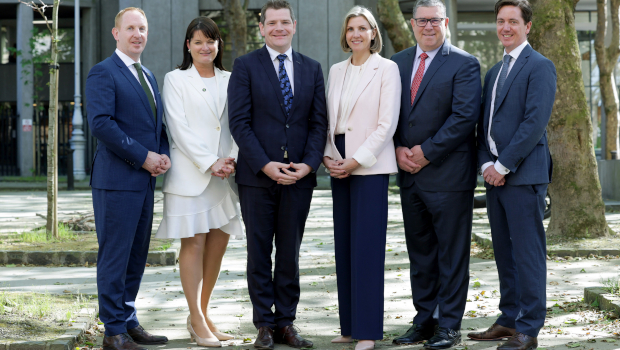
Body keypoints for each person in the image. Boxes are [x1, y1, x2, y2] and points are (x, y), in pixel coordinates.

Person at [227, 0, 327, 349]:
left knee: (289, 253)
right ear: (262, 27)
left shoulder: (312, 68)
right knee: (258, 252)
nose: (279, 28)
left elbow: (318, 123)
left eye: (285, 22)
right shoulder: (245, 66)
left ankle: (286, 322)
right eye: (272, 23)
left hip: (299, 176)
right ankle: (264, 325)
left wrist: (310, 164)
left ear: (294, 26)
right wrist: (265, 164)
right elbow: (239, 123)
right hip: (257, 177)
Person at [390, 0, 481, 348]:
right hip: (410, 176)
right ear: (412, 24)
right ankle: (424, 322)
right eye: (422, 20)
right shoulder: (396, 63)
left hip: (449, 176)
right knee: (421, 255)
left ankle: (449, 326)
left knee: (451, 255)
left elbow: (464, 117)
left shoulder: (464, 63)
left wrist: (425, 152)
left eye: (435, 20)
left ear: (445, 22)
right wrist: (397, 148)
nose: (429, 26)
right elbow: (390, 114)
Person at [467, 1, 556, 349]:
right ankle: (509, 319)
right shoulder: (493, 71)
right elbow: (483, 126)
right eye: (501, 21)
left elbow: (534, 123)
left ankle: (529, 328)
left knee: (527, 253)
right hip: (494, 176)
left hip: (522, 175)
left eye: (513, 22)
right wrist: (486, 165)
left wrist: (503, 165)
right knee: (504, 251)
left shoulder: (540, 66)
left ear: (527, 26)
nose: (506, 27)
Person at [155, 17, 243, 348]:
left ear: (218, 45)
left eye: (211, 40)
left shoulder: (231, 79)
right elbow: (178, 128)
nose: (205, 46)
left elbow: (237, 122)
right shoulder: (175, 79)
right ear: (188, 46)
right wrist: (210, 162)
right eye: (198, 41)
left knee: (218, 244)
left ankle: (204, 315)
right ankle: (194, 316)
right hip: (191, 175)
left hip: (225, 175)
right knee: (193, 244)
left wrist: (230, 158)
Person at [85, 7, 170, 350]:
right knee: (115, 256)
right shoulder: (103, 72)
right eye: (130, 28)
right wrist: (144, 156)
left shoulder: (147, 74)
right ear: (115, 33)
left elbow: (155, 126)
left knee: (136, 256)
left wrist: (162, 154)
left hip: (144, 180)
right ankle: (113, 332)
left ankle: (128, 319)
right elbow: (102, 124)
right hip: (117, 181)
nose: (138, 34)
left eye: (143, 28)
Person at [322, 6, 400, 350]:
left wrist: (355, 160)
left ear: (373, 33)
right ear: (346, 34)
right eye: (351, 28)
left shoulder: (387, 68)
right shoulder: (336, 70)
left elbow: (387, 124)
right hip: (338, 158)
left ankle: (368, 330)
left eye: (363, 28)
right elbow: (327, 119)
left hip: (369, 163)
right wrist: (328, 154)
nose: (356, 34)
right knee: (345, 246)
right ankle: (350, 325)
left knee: (367, 248)